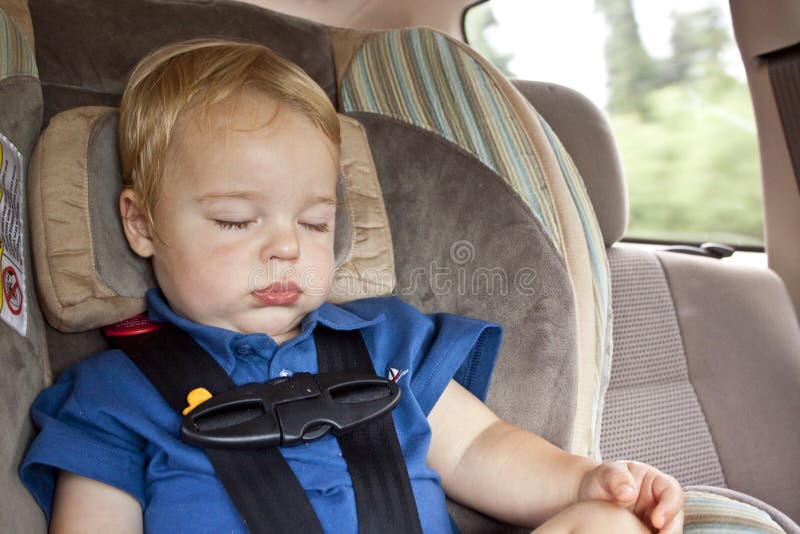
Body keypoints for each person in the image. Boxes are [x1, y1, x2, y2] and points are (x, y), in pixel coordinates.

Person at [20, 39, 683, 533]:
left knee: (608, 525)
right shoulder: (110, 399)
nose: (286, 245)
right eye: (234, 219)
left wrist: (586, 481)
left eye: (314, 222)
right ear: (141, 223)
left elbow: (481, 447)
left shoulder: (385, 342)